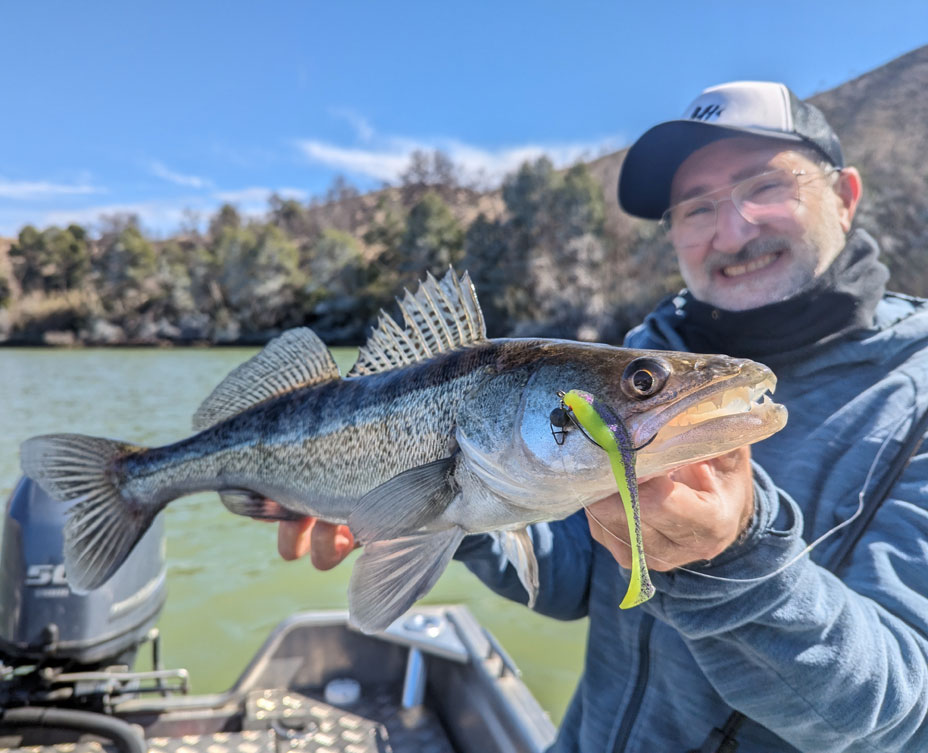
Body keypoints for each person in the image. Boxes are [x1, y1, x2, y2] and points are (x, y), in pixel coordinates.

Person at [277, 81, 928, 751]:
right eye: (696, 206)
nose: (733, 229)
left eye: (766, 186)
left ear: (846, 197)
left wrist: (737, 555)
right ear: (673, 233)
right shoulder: (638, 356)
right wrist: (450, 505)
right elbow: (571, 578)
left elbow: (906, 714)